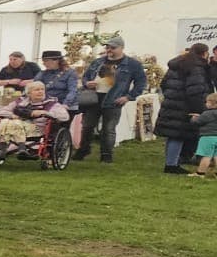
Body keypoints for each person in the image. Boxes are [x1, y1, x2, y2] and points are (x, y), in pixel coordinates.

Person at [74, 35, 148, 163]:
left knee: (108, 128)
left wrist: (128, 97)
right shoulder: (98, 62)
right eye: (108, 47)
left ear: (121, 48)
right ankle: (83, 149)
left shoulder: (132, 64)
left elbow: (141, 82)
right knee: (87, 126)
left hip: (114, 99)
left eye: (113, 48)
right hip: (94, 98)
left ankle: (106, 154)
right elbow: (85, 77)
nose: (109, 50)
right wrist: (87, 84)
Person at [156, 43, 211, 175]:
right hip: (185, 105)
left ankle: (172, 161)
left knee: (173, 135)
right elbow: (195, 90)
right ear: (204, 53)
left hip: (172, 103)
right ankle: (172, 165)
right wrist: (199, 109)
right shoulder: (196, 67)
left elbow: (163, 84)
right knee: (178, 135)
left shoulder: (176, 65)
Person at [191, 93, 217, 178]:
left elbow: (197, 122)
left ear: (211, 103)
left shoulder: (207, 114)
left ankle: (200, 173)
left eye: (207, 102)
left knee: (206, 156)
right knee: (216, 156)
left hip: (207, 137)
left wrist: (194, 118)